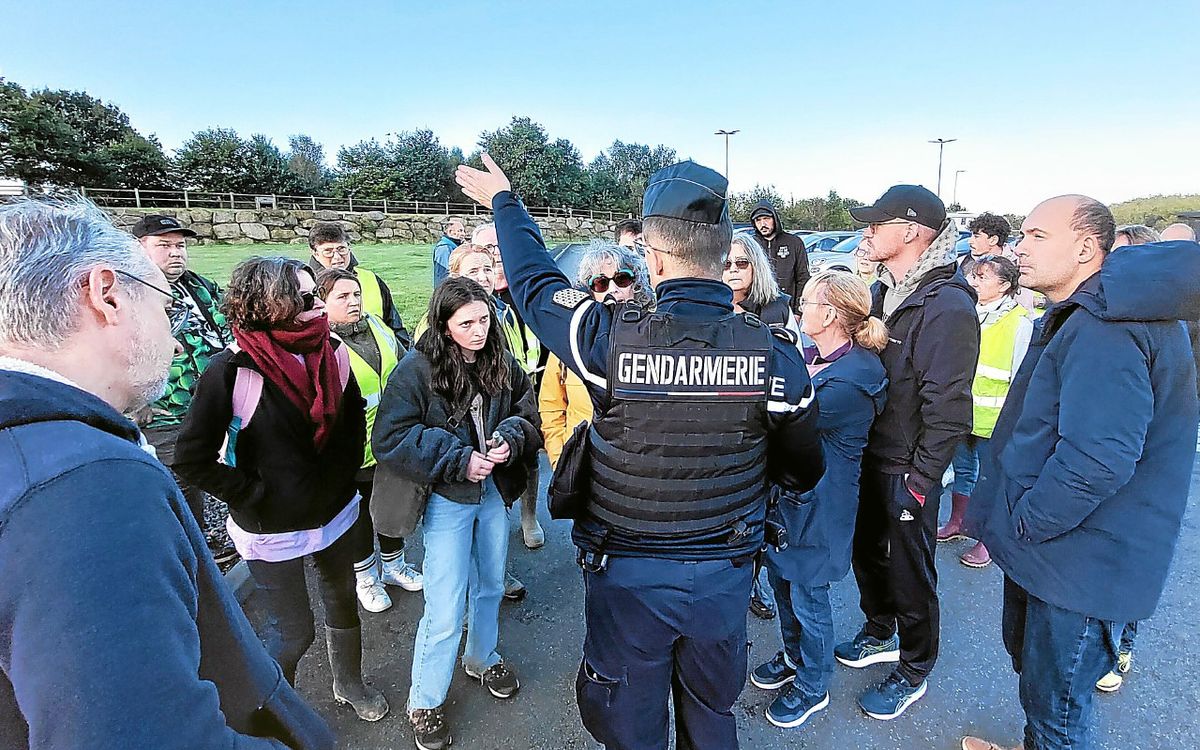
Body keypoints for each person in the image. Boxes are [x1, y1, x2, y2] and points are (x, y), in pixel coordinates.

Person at [456, 155, 825, 750]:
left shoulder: (607, 337)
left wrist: (506, 202)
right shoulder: (777, 357)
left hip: (628, 575)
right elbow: (806, 467)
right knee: (710, 714)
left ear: (652, 258)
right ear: (725, 254)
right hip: (723, 572)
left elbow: (535, 286)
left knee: (629, 720)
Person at [0, 199, 334, 748]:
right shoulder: (85, 487)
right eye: (163, 308)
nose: (176, 338)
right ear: (107, 295)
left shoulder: (39, 448)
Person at [960, 196, 1200, 750]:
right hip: (1065, 553)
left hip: (1079, 561)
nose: (1019, 247)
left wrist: (1028, 522)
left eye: (1038, 236)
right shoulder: (1090, 313)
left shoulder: (1105, 326)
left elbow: (1099, 458)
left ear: (1087, 248)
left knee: (1059, 711)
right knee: (1044, 691)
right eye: (1022, 234)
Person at [175, 257, 389, 723]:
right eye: (304, 298)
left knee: (343, 601)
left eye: (315, 296)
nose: (316, 306)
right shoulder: (231, 370)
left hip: (335, 511)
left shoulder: (331, 351)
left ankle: (348, 684)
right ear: (266, 304)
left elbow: (352, 426)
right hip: (269, 527)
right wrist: (252, 494)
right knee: (293, 632)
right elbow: (191, 458)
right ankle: (276, 711)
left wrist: (343, 478)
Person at [372, 276, 542, 750]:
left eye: (485, 319)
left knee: (490, 584)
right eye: (465, 323)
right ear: (444, 325)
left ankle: (482, 656)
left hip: (491, 494)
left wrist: (510, 437)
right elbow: (388, 439)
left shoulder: (503, 362)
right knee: (445, 605)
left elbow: (529, 416)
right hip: (447, 497)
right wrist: (457, 458)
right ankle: (424, 699)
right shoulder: (415, 370)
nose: (478, 331)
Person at [834, 184, 979, 721]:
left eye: (877, 223)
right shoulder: (885, 292)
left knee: (911, 569)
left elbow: (948, 410)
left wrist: (919, 483)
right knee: (866, 554)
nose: (866, 231)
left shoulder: (946, 305)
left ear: (913, 231)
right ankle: (880, 629)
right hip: (869, 454)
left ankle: (915, 666)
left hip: (906, 467)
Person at [752, 270, 888, 730]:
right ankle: (794, 658)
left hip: (820, 506)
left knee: (809, 598)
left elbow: (786, 422)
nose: (798, 306)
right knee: (784, 585)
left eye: (807, 301)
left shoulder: (855, 378)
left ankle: (813, 685)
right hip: (792, 499)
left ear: (830, 314)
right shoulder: (821, 358)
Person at [317, 269, 423, 614]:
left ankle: (394, 567)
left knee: (390, 509)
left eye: (356, 294)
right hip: (349, 450)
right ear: (323, 303)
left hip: (390, 442)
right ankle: (366, 577)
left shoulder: (378, 326)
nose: (353, 302)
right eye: (342, 297)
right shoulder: (320, 344)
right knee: (358, 515)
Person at [132, 214, 233, 559]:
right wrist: (135, 404)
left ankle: (226, 530)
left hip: (218, 401)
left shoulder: (200, 286)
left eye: (180, 245)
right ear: (138, 248)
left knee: (221, 464)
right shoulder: (129, 294)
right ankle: (194, 547)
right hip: (168, 411)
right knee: (181, 478)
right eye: (164, 245)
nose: (176, 253)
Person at [725, 232, 802, 620]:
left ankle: (755, 583)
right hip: (722, 435)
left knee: (759, 514)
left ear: (756, 266)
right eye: (726, 263)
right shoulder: (706, 307)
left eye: (742, 263)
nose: (734, 271)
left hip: (765, 431)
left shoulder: (776, 309)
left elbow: (796, 370)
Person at [936, 255, 1032, 569]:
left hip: (997, 419)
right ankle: (958, 523)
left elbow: (1021, 377)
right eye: (974, 276)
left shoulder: (1020, 322)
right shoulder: (968, 312)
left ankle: (987, 540)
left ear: (1005, 285)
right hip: (962, 413)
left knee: (991, 478)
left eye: (983, 278)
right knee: (964, 471)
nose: (974, 282)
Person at [539, 241, 653, 468]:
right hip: (580, 466)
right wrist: (559, 458)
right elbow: (551, 404)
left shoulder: (655, 334)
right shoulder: (571, 339)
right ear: (591, 290)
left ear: (636, 283)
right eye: (601, 282)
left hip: (635, 468)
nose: (613, 289)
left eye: (622, 279)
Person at [472, 221, 546, 552]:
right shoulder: (468, 304)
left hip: (527, 391)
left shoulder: (522, 290)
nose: (494, 256)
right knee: (493, 468)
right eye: (486, 250)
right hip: (486, 402)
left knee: (529, 456)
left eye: (498, 247)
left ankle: (529, 517)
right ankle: (496, 540)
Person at [308, 221, 412, 348]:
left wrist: (404, 358)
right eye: (328, 251)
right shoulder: (306, 287)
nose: (337, 257)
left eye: (341, 249)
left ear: (349, 247)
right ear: (315, 253)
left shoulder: (372, 279)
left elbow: (395, 326)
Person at [749, 199, 810, 313]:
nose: (763, 224)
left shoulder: (794, 242)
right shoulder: (751, 245)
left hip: (788, 309)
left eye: (766, 219)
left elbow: (803, 278)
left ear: (774, 219)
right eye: (758, 220)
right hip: (756, 310)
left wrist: (798, 311)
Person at [433, 218, 466, 286]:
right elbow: (445, 273)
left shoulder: (454, 247)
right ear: (450, 232)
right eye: (460, 231)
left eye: (463, 231)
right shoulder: (444, 249)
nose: (463, 234)